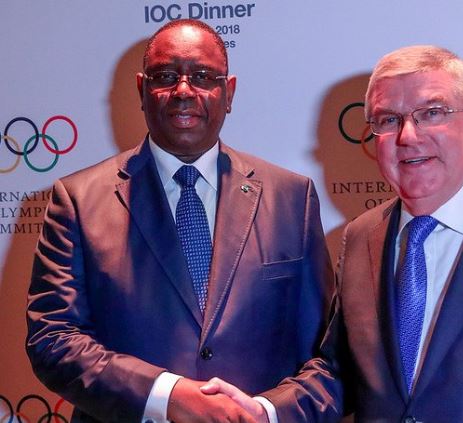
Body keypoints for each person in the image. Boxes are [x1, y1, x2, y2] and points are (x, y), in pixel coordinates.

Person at [205, 45, 463, 422]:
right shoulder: (360, 237)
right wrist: (266, 411)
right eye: (388, 120)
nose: (407, 136)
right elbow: (340, 371)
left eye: (432, 113)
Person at [26, 19, 332, 423]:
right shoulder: (77, 200)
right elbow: (53, 339)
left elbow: (327, 358)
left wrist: (266, 412)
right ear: (142, 90)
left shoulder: (292, 198)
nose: (184, 91)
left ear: (229, 92)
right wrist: (167, 395)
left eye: (203, 77)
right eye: (165, 76)